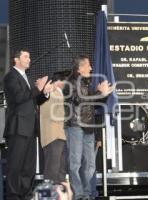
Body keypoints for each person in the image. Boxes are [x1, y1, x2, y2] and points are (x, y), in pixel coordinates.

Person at [63, 55, 114, 200]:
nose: (91, 68)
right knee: (75, 163)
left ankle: (86, 193)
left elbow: (94, 103)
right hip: (75, 126)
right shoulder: (71, 82)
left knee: (91, 164)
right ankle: (78, 194)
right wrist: (99, 93)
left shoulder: (86, 82)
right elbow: (80, 99)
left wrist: (104, 94)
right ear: (80, 68)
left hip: (88, 127)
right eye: (88, 65)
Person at [3, 49, 52, 200]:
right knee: (15, 165)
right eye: (26, 56)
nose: (29, 59)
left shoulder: (27, 78)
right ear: (16, 60)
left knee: (29, 167)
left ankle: (25, 195)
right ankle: (13, 196)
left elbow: (34, 100)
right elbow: (19, 98)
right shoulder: (10, 77)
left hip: (30, 128)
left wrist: (44, 93)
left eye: (29, 57)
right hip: (18, 128)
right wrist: (37, 88)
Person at [40, 74, 67, 183]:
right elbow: (49, 113)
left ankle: (59, 195)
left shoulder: (61, 94)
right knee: (52, 170)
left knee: (61, 170)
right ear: (59, 81)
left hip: (62, 135)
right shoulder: (50, 92)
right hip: (53, 136)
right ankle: (49, 195)